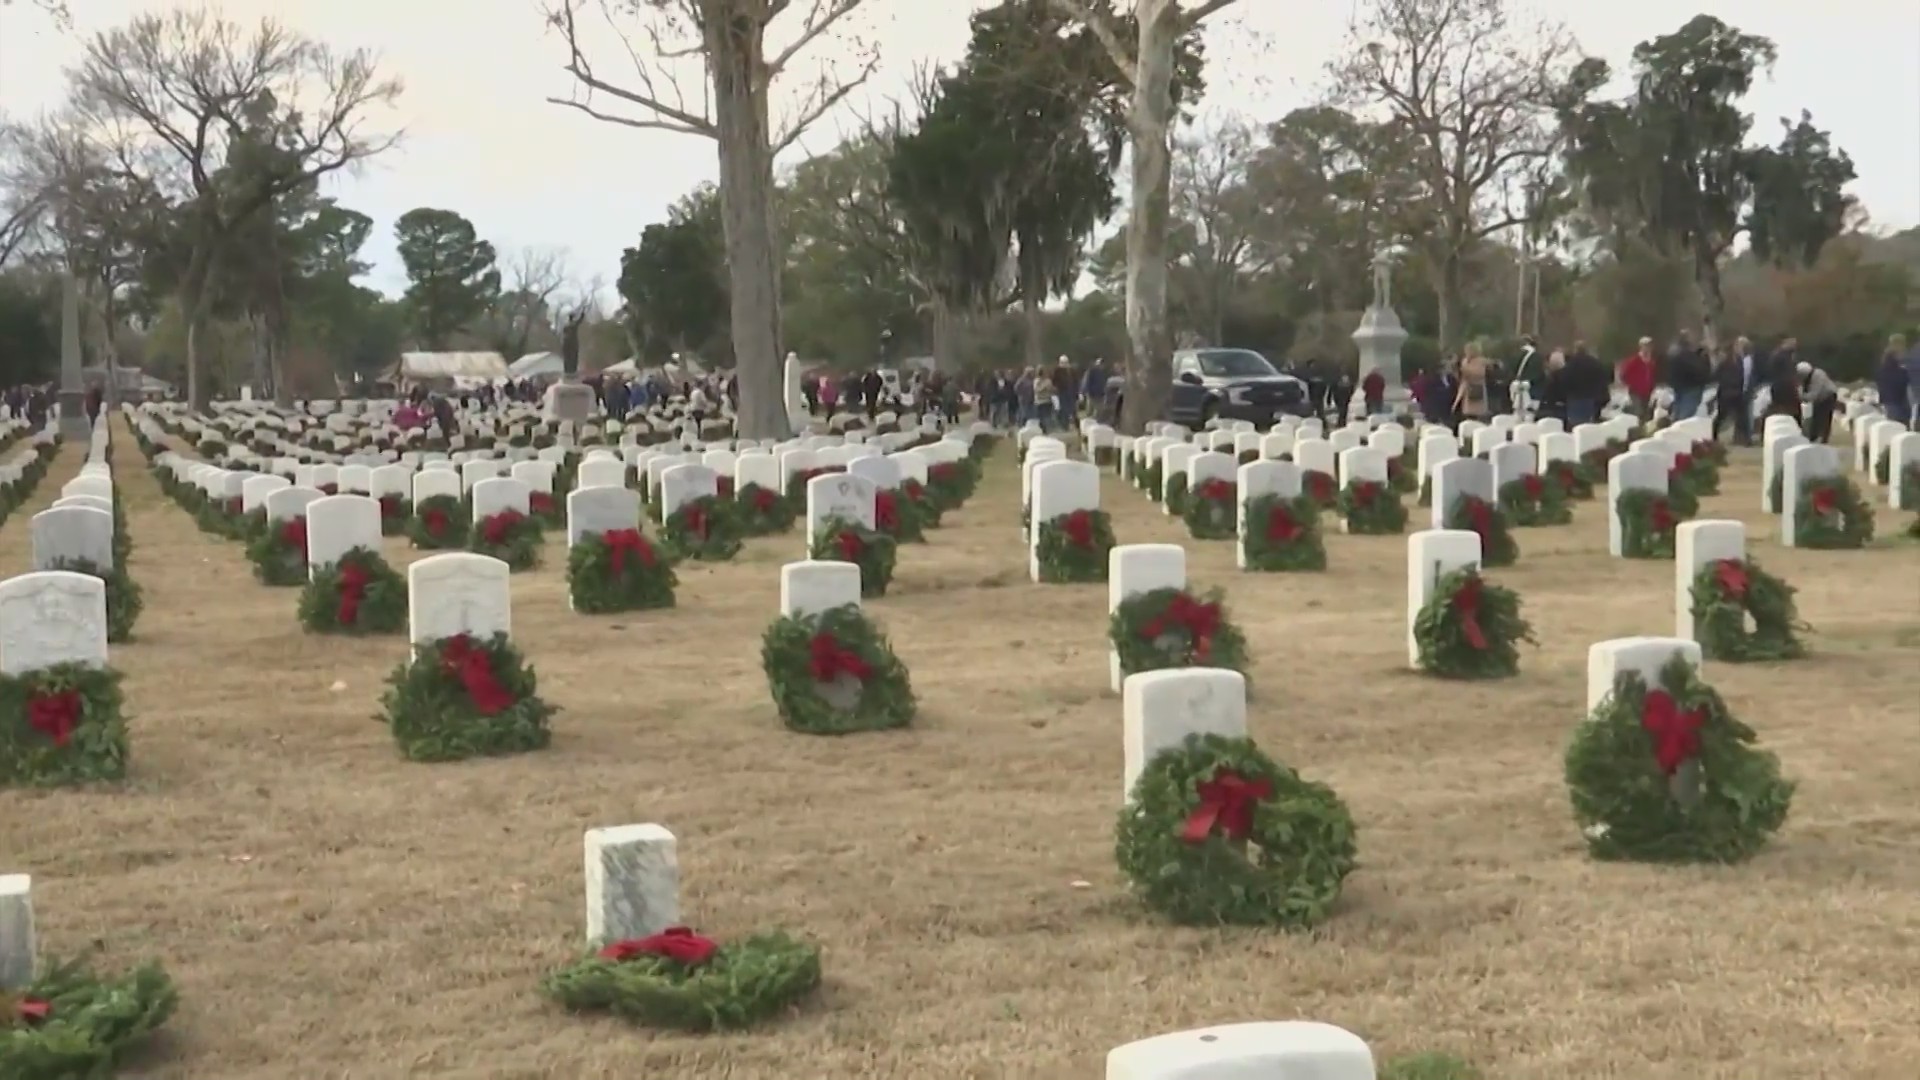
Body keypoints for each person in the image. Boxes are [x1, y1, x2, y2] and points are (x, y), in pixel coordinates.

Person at [1712, 337, 1759, 445]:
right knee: (1722, 415)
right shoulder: (1726, 360)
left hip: (1738, 393)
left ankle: (1745, 439)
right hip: (1727, 392)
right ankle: (1713, 435)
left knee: (1743, 417)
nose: (1741, 349)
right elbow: (1717, 374)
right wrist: (1727, 383)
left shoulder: (1741, 360)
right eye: (1740, 346)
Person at [1666, 330, 1711, 422]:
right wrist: (1705, 359)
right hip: (1690, 388)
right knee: (1685, 418)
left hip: (1679, 387)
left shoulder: (1675, 352)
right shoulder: (1686, 354)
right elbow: (1698, 369)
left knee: (1678, 413)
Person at [1562, 340, 1607, 425]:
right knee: (1588, 423)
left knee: (1574, 423)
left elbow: (1565, 379)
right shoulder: (1594, 362)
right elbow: (1601, 379)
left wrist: (1566, 393)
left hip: (1575, 397)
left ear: (1575, 350)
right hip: (1591, 397)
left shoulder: (1571, 363)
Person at [1798, 360, 1840, 443]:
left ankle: (1822, 439)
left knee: (1824, 418)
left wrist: (1801, 396)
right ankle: (1814, 436)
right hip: (1820, 398)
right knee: (1815, 418)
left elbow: (1813, 395)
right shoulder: (1808, 377)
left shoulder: (1818, 375)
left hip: (1828, 396)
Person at [1618, 338, 1656, 424]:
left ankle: (1642, 427)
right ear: (1641, 347)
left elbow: (1652, 376)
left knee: (1645, 413)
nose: (1647, 348)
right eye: (1645, 346)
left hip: (1647, 392)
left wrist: (1652, 386)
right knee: (1639, 412)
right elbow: (1624, 374)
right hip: (1635, 391)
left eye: (1649, 346)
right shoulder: (1634, 360)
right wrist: (1632, 384)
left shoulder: (1651, 361)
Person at [1452, 343, 1490, 430]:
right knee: (1465, 413)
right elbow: (1461, 376)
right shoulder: (1464, 361)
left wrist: (1466, 371)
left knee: (1476, 413)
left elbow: (1480, 374)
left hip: (1476, 389)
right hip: (1465, 389)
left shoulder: (1480, 361)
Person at [1881, 335, 1914, 429]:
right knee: (1897, 425)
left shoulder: (1889, 358)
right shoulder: (1891, 358)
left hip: (1897, 397)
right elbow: (1895, 377)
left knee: (1900, 424)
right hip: (1894, 398)